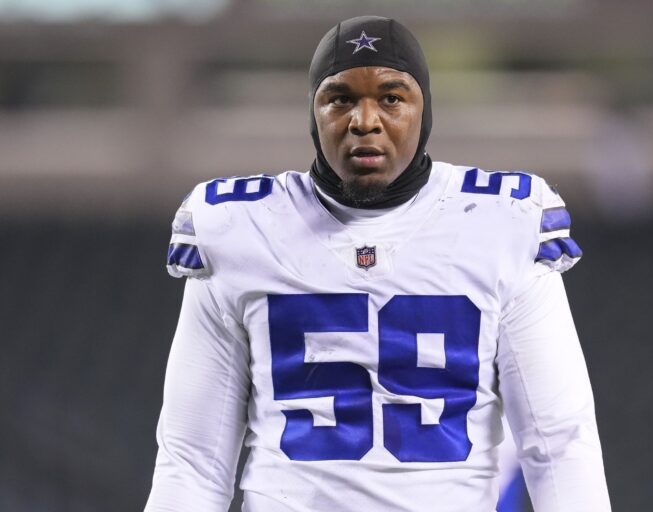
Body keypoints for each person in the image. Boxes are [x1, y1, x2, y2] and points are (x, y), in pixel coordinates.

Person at [146, 15, 611, 512]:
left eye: (391, 97)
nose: (364, 120)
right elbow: (193, 459)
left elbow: (559, 443)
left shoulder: (505, 223)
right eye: (340, 97)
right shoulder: (238, 230)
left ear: (424, 110)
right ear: (314, 111)